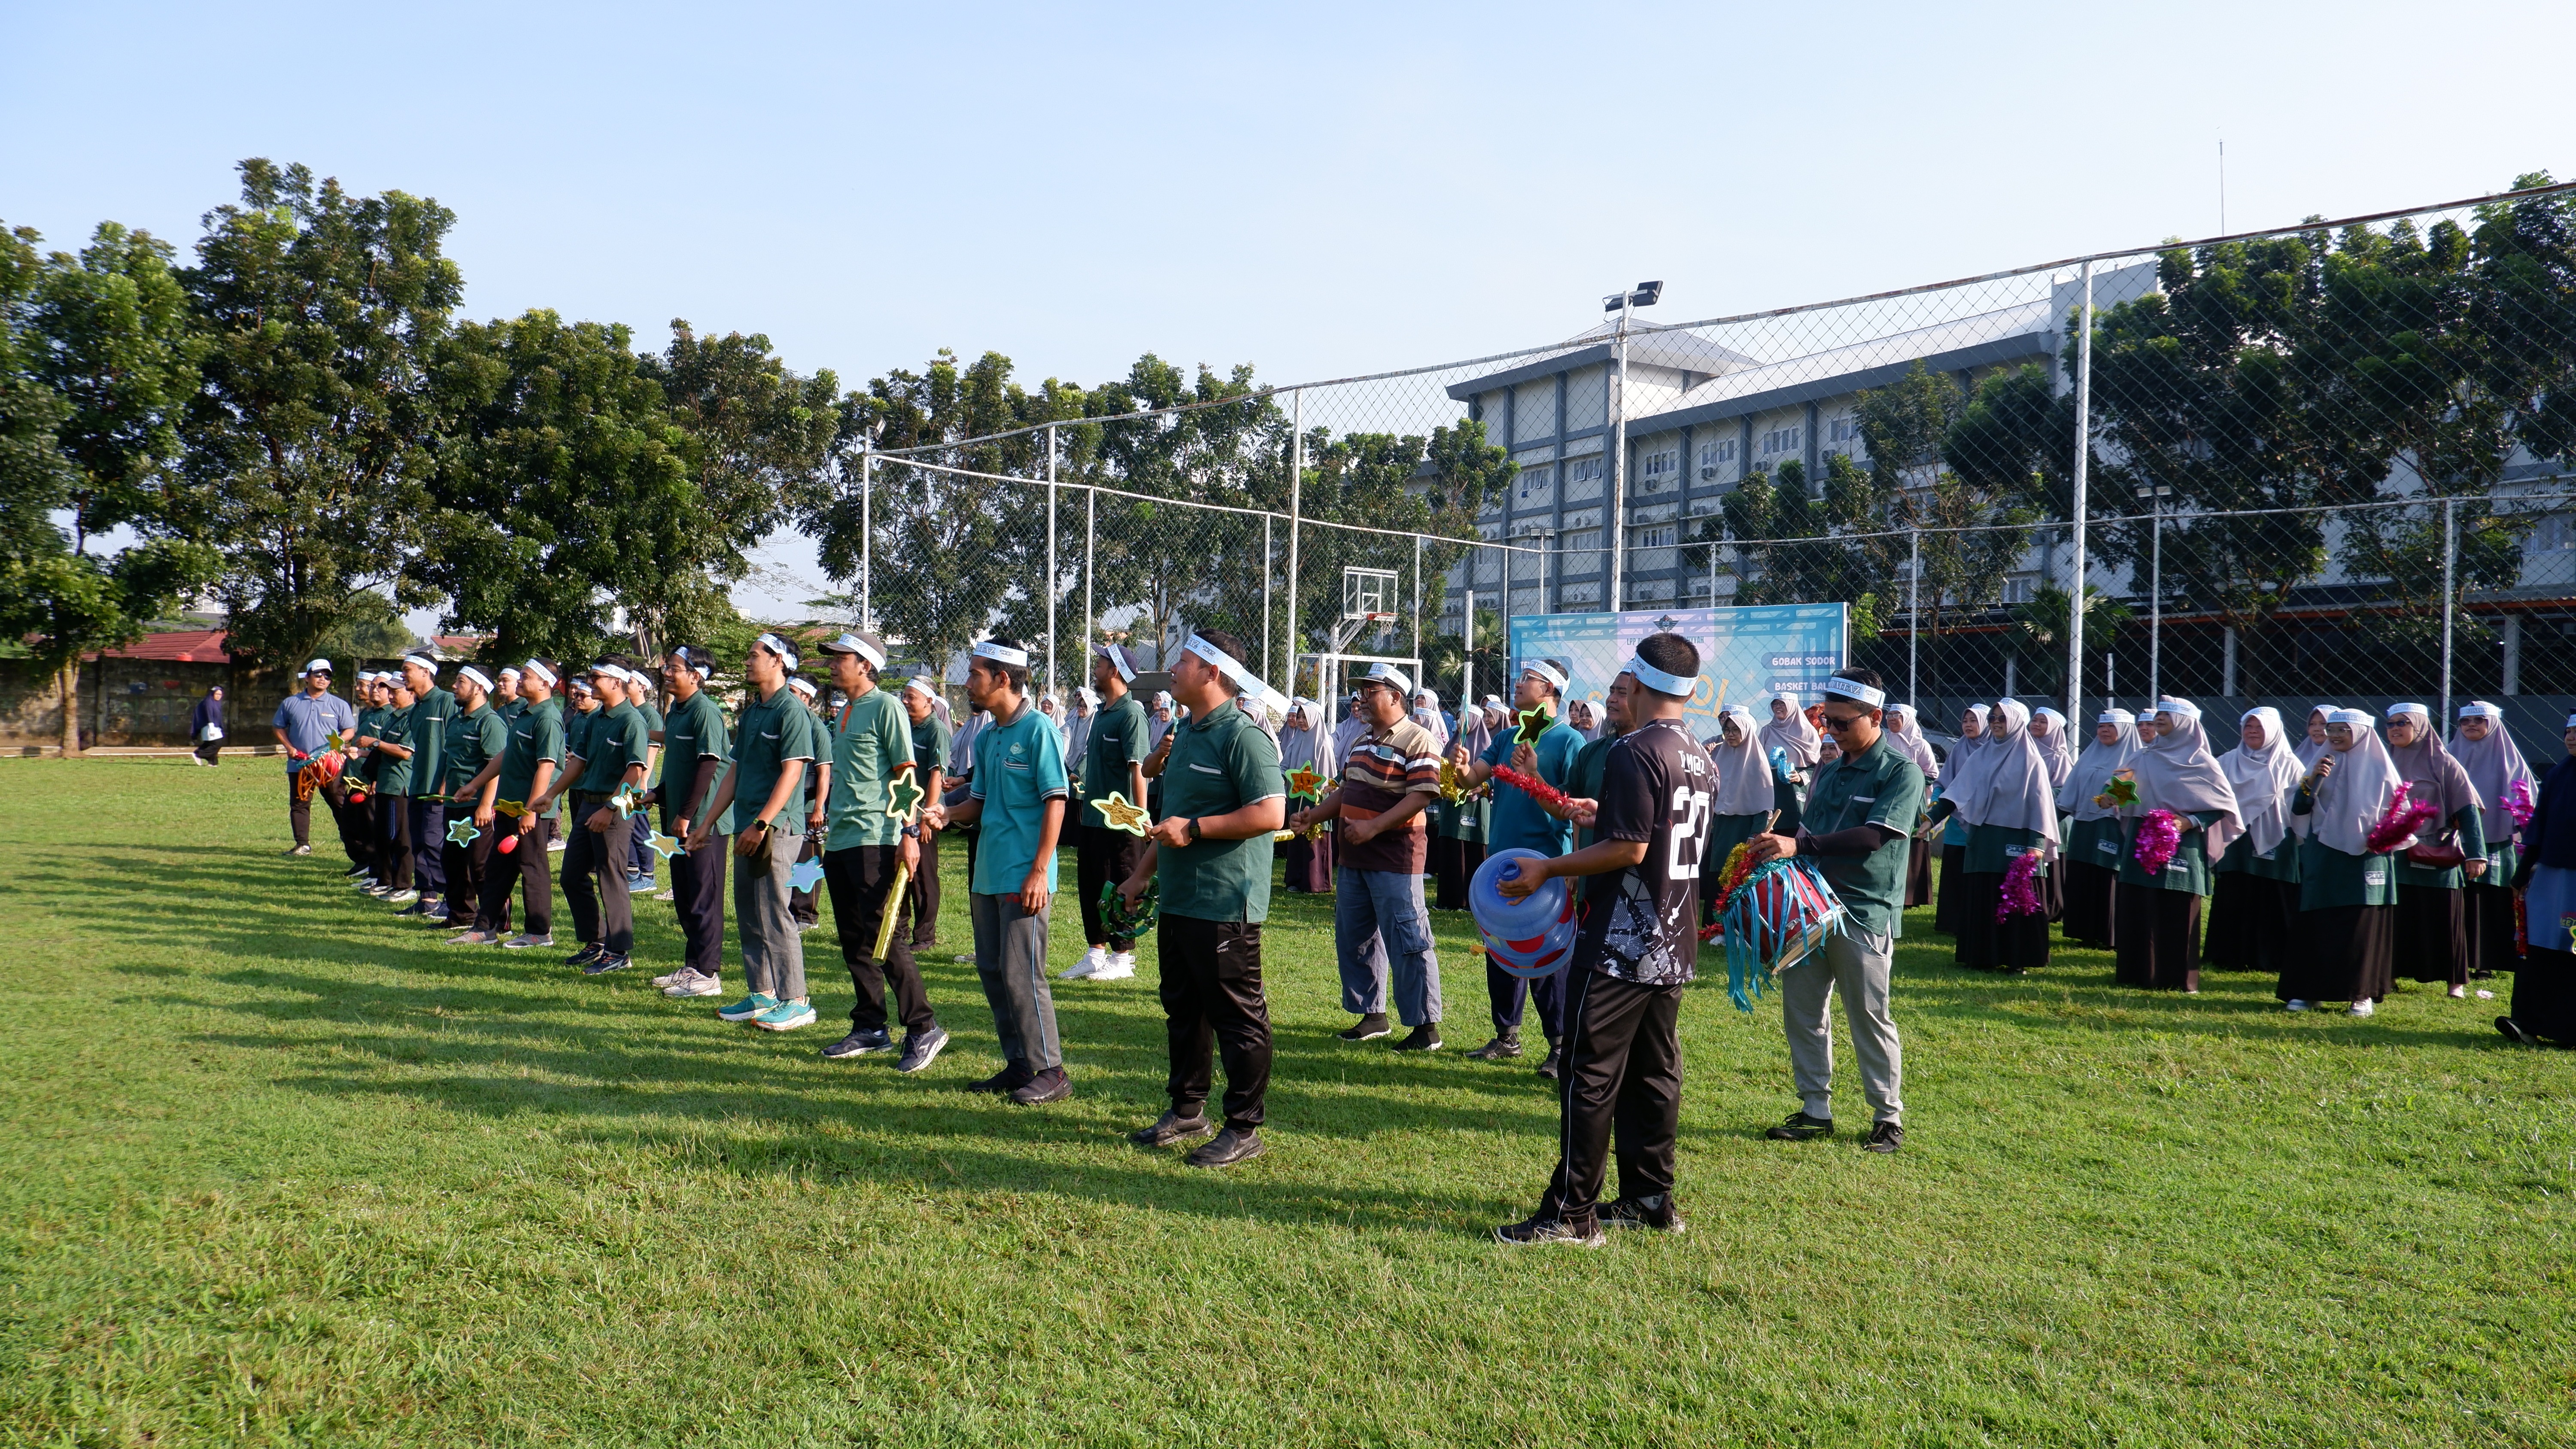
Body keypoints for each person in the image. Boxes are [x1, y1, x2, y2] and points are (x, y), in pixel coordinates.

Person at [1489, 633, 1716, 1246]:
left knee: (1587, 1070)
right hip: (1675, 937)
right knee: (1654, 1070)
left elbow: (1631, 848)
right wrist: (1601, 817)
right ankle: (1650, 1197)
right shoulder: (1700, 752)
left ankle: (1570, 1213)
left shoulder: (1632, 750)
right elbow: (1659, 836)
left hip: (1621, 936)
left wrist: (1547, 868)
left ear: (1639, 685)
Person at [1121, 629, 1288, 1166]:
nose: (1174, 670)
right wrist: (1141, 875)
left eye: (1185, 662)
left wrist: (1194, 830)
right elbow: (1172, 816)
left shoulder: (1244, 737)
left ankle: (1244, 1127)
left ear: (1212, 673)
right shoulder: (1184, 732)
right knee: (1184, 1010)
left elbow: (1270, 814)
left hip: (1225, 903)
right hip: (1179, 900)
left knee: (1238, 1016)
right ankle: (1188, 1109)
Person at [1747, 668, 1923, 1155]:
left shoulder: (1900, 772)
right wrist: (1778, 848)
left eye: (1844, 723)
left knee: (1869, 1015)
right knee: (1803, 1012)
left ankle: (1888, 1117)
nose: (1834, 731)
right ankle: (1815, 1109)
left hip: (1864, 910)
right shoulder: (1828, 765)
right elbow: (1808, 834)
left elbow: (1875, 837)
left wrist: (1799, 844)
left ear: (1877, 718)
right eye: (1829, 722)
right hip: (1809, 906)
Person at [922, 638, 1073, 1105]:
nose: (968, 683)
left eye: (975, 675)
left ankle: (1052, 1071)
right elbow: (979, 803)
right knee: (993, 969)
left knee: (1022, 972)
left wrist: (1039, 870)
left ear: (1003, 679)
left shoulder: (1039, 731)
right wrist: (945, 814)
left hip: (1024, 875)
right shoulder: (987, 736)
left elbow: (1057, 802)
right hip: (987, 873)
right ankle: (1020, 1064)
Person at [804, 631, 948, 1070]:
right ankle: (870, 1026)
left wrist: (908, 833)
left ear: (866, 665)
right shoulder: (844, 711)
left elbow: (906, 774)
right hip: (843, 840)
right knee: (854, 941)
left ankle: (923, 1028)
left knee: (886, 938)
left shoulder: (886, 706)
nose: (831, 665)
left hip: (877, 839)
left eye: (840, 659)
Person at [1289, 663, 1446, 1053]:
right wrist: (1315, 814)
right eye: (1360, 692)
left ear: (1395, 696)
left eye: (1371, 691)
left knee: (1409, 939)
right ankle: (1372, 1015)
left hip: (1395, 857)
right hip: (1356, 859)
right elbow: (1347, 790)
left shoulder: (1418, 739)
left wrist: (1374, 827)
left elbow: (1421, 795)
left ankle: (1426, 1028)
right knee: (1356, 938)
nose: (1361, 699)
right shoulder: (1360, 741)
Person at [1452, 657, 1586, 1075]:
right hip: (1502, 862)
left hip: (1546, 864)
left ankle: (1560, 1045)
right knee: (1502, 950)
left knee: (1545, 957)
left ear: (1550, 691)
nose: (1518, 683)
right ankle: (1506, 1035)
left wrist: (1574, 869)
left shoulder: (1568, 742)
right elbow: (1470, 780)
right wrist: (1457, 770)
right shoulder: (1507, 734)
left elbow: (1572, 811)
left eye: (1527, 679)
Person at [690, 633, 822, 1033]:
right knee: (749, 911)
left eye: (754, 655)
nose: (748, 661)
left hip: (776, 828)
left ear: (779, 661)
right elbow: (735, 771)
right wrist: (709, 821)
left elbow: (793, 773)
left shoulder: (791, 712)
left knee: (775, 912)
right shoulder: (753, 712)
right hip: (749, 826)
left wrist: (762, 823)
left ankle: (795, 999)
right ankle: (762, 993)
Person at [2110, 699, 2241, 993]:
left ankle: (2179, 977)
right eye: (2158, 714)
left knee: (2177, 908)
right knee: (2139, 903)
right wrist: (2112, 796)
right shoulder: (2140, 757)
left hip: (2182, 844)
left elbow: (2223, 805)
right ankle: (2137, 972)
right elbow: (2120, 795)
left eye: (2166, 715)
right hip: (2142, 840)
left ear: (2184, 722)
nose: (2158, 719)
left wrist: (2190, 821)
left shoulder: (2202, 762)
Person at [2282, 709, 2401, 1016]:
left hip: (2366, 860)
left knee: (2359, 926)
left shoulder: (2381, 768)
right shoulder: (2320, 764)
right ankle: (2310, 991)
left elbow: (2399, 815)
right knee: (2317, 922)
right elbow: (2300, 806)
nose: (2333, 735)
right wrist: (2314, 780)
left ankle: (2360, 994)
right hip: (2324, 854)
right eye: (2330, 729)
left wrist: (2377, 835)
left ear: (2360, 733)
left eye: (2341, 730)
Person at [1927, 699, 2057, 973]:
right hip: (1984, 843)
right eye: (1993, 718)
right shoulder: (1982, 755)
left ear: (2015, 722)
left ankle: (2017, 959)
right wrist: (1931, 818)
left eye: (2002, 718)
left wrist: (2036, 846)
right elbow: (1957, 791)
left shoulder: (2031, 760)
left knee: (2015, 900)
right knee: (1983, 896)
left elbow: (2041, 807)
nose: (1996, 722)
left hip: (2018, 844)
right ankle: (1982, 956)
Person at [540, 660, 653, 975]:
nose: (589, 683)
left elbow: (635, 771)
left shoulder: (632, 720)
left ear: (617, 682)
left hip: (613, 806)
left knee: (611, 877)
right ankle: (596, 940)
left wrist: (611, 808)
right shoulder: (595, 719)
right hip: (589, 804)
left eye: (596, 677)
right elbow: (578, 763)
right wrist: (552, 793)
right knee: (572, 875)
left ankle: (619, 950)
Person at [2380, 703, 2487, 998]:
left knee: (2444, 917)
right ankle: (2389, 974)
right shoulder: (2382, 760)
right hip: (2396, 853)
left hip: (2439, 851)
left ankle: (2455, 982)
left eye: (2403, 723)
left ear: (2420, 726)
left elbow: (2467, 810)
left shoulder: (2443, 762)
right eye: (2390, 724)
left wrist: (2477, 854)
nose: (2395, 729)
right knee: (2397, 917)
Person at [455, 659, 562, 949]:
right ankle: (485, 928)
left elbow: (546, 767)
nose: (519, 680)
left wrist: (531, 810)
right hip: (508, 805)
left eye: (525, 677)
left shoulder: (548, 718)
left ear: (544, 683)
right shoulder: (526, 714)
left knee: (532, 867)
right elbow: (505, 755)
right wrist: (475, 784)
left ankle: (539, 932)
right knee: (498, 868)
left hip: (530, 810)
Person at [644, 646, 732, 998]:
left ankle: (709, 974)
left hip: (701, 821)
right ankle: (693, 965)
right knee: (684, 895)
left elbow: (708, 766)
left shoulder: (706, 712)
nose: (667, 672)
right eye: (668, 666)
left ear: (696, 676)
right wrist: (659, 794)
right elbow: (681, 766)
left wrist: (685, 815)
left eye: (675, 668)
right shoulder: (677, 711)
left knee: (703, 897)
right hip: (680, 817)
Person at [1069, 643, 1151, 982]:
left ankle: (1123, 957)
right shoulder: (1102, 713)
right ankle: (1096, 952)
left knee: (1120, 883)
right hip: (1092, 817)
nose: (1096, 667)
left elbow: (1139, 769)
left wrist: (1141, 817)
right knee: (1091, 883)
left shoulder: (1132, 715)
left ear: (1115, 670)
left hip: (1122, 822)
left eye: (1101, 662)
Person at [2499, 713, 2576, 1046]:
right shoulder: (2558, 774)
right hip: (2551, 875)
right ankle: (2529, 1021)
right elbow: (2539, 828)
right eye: (2569, 731)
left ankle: (2567, 1028)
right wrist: (2523, 870)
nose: (2572, 737)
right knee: (2541, 945)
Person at [2453, 702, 2534, 980]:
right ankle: (2457, 958)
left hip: (2498, 842)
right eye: (2466, 721)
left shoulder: (2510, 759)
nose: (2472, 725)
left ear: (2493, 723)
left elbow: (2527, 802)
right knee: (2459, 900)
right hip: (2454, 839)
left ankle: (2487, 960)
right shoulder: (2448, 756)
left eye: (2479, 720)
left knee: (2490, 900)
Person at [432, 666, 508, 939]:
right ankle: (461, 914)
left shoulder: (490, 722)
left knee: (480, 864)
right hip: (455, 803)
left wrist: (486, 805)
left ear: (479, 688)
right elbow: (451, 758)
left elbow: (495, 767)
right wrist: (443, 787)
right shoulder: (456, 719)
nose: (454, 686)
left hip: (478, 805)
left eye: (461, 682)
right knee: (453, 860)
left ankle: (499, 920)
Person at [2057, 710, 2139, 950]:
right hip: (2084, 824)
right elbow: (2070, 791)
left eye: (2110, 726)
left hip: (2112, 826)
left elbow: (2131, 794)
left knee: (2107, 874)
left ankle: (2110, 934)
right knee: (2083, 872)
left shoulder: (2134, 759)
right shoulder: (2089, 755)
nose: (2104, 730)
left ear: (2124, 730)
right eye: (2101, 726)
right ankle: (2084, 932)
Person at [395, 652, 458, 920]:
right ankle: (427, 898)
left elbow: (455, 745)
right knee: (419, 843)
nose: (402, 675)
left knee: (436, 843)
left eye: (407, 669)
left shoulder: (447, 702)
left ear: (425, 672)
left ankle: (450, 899)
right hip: (418, 785)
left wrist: (445, 782)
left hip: (438, 788)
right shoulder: (417, 708)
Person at [270, 660, 355, 858]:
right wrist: (289, 748)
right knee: (300, 804)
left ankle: (352, 838)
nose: (323, 679)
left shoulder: (338, 704)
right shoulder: (291, 703)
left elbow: (350, 729)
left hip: (330, 765)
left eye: (327, 676)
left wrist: (338, 742)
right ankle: (302, 845)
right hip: (300, 764)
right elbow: (278, 727)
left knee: (339, 802)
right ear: (307, 677)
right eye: (318, 675)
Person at [900, 676, 951, 949]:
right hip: (902, 810)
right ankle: (900, 930)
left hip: (922, 814)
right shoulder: (907, 726)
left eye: (911, 697)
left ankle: (925, 936)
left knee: (922, 875)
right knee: (901, 870)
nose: (905, 701)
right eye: (904, 696)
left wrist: (927, 818)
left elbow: (936, 775)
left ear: (929, 701)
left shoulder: (936, 731)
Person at [365, 670, 422, 905]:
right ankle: (385, 879)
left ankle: (404, 884)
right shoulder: (393, 717)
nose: (391, 695)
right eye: (390, 690)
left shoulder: (412, 718)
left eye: (396, 691)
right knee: (382, 835)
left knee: (401, 836)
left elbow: (405, 752)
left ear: (410, 693)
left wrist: (376, 743)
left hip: (401, 784)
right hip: (386, 782)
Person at [1428, 698, 1488, 909]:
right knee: (1451, 849)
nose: (1459, 722)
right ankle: (1450, 899)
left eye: (1464, 718)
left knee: (1472, 852)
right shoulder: (1453, 742)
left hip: (1475, 805)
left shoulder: (1486, 745)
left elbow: (1490, 777)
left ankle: (1473, 900)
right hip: (1451, 804)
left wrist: (1479, 786)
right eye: (1458, 718)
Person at [1932, 705, 1987, 935]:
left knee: (1974, 873)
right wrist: (1936, 801)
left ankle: (1972, 920)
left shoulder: (1994, 751)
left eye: (1974, 721)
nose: (1968, 725)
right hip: (1955, 818)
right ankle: (1950, 921)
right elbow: (1944, 781)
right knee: (1954, 870)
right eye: (1965, 721)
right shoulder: (1959, 748)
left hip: (1980, 820)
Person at [1277, 698, 1339, 894]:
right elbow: (1286, 765)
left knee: (1314, 837)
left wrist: (1320, 795)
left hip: (1317, 801)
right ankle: (1295, 880)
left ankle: (1316, 882)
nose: (1301, 720)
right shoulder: (1296, 740)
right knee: (1297, 837)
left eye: (1305, 717)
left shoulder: (1323, 745)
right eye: (1300, 716)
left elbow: (1329, 777)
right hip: (1297, 798)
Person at [1882, 703, 1940, 908]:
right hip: (1888, 798)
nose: (1892, 719)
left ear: (1907, 719)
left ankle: (1912, 895)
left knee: (1913, 843)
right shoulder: (1884, 741)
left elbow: (1932, 774)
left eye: (1897, 715)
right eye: (1889, 715)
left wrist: (1909, 782)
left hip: (1914, 802)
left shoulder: (1920, 745)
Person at [786, 676, 827, 930]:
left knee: (807, 863)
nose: (787, 696)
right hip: (787, 807)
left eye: (793, 692)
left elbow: (824, 772)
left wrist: (818, 808)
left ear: (807, 698)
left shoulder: (816, 728)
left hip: (807, 807)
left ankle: (806, 915)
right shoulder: (788, 721)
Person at [190, 685, 226, 766]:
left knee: (210, 744)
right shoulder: (208, 702)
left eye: (220, 695)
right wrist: (211, 727)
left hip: (215, 727)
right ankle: (198, 754)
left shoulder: (217, 703)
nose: (219, 696)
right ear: (213, 694)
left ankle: (212, 762)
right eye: (217, 694)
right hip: (209, 727)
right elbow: (209, 714)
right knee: (217, 743)